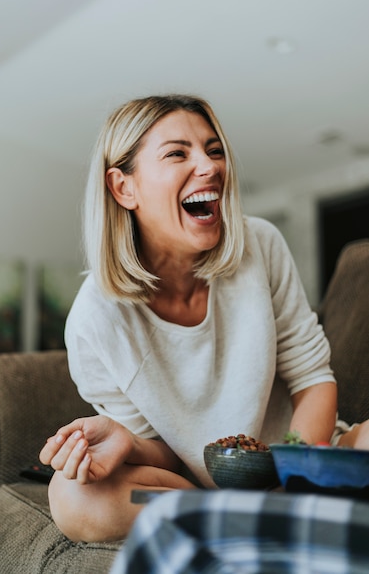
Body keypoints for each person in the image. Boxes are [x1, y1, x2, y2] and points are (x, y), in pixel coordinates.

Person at [39, 94, 369, 544]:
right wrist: (128, 442)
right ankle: (240, 520)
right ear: (123, 188)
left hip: (306, 464)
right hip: (198, 492)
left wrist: (288, 482)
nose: (211, 166)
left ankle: (267, 521)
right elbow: (169, 460)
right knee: (74, 497)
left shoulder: (261, 244)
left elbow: (313, 378)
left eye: (214, 150)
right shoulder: (93, 322)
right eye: (178, 153)